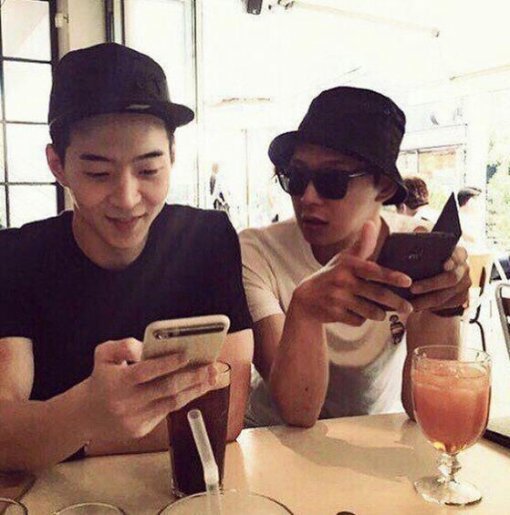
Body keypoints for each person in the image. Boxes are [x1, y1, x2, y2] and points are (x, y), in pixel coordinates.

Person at [0, 43, 253, 471]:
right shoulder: (17, 256)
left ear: (173, 156)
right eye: (98, 172)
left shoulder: (207, 240)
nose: (127, 197)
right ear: (58, 166)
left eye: (149, 169)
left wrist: (63, 432)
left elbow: (223, 416)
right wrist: (85, 411)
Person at [240, 87, 470, 428]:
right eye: (296, 178)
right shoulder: (258, 250)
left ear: (384, 188)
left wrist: (444, 305)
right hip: (273, 437)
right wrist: (304, 310)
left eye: (332, 180)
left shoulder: (416, 246)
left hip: (370, 437)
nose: (308, 197)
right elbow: (297, 412)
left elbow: (429, 408)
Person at [457, 186, 484, 250]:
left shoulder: (472, 220)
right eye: (476, 200)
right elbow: (473, 240)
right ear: (469, 201)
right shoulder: (458, 220)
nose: (479, 204)